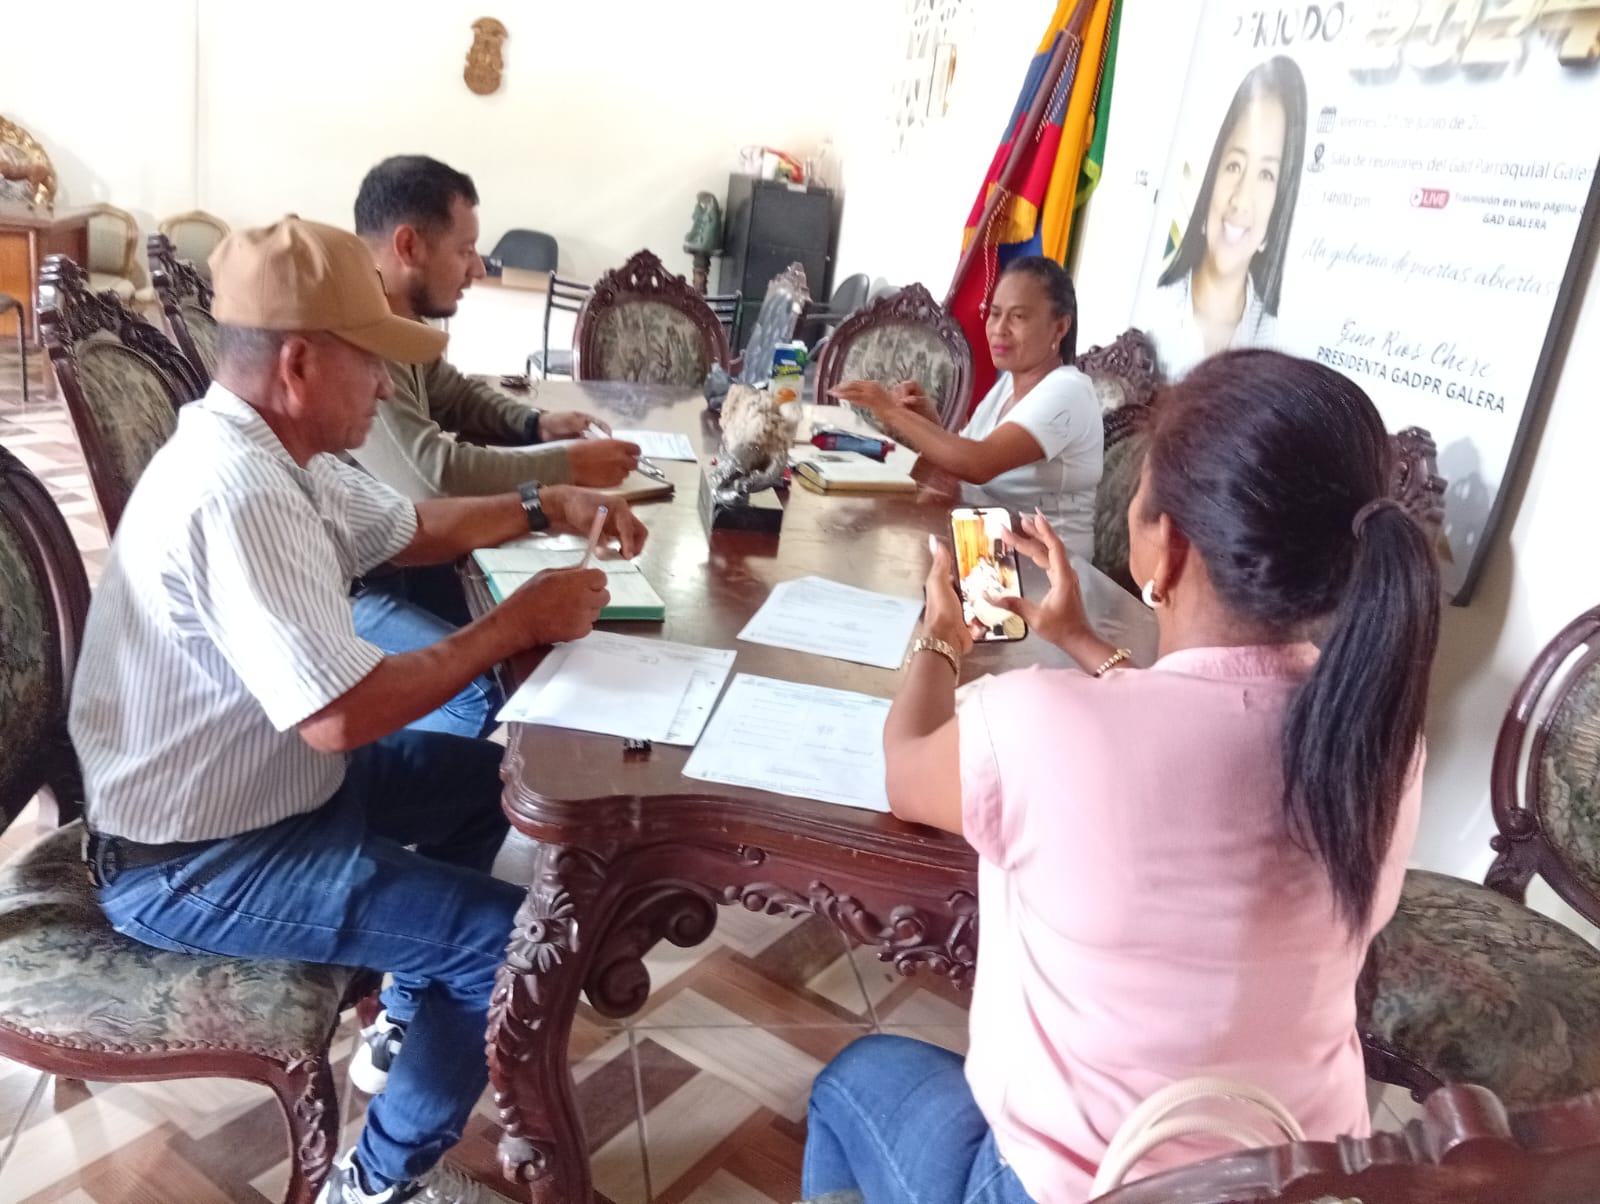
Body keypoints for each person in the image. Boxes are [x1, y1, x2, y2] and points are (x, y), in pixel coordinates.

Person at [70, 217, 648, 1204]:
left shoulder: (275, 448)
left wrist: (548, 504)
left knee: (492, 787)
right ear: (298, 363)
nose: (386, 387)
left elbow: (411, 527)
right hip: (194, 860)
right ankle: (378, 1182)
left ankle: (407, 1010)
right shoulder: (239, 490)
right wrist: (512, 624)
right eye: (372, 362)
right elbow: (339, 716)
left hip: (269, 792)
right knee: (509, 942)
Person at [802, 349, 1440, 1204]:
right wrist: (1082, 642)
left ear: (1167, 547)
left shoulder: (1040, 725)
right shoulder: (1379, 741)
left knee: (852, 1081)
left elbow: (905, 764)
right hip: (1301, 1182)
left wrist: (940, 638)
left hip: (1083, 1186)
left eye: (1137, 499)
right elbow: (1212, 720)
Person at [346, 154, 641, 738]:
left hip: (398, 557)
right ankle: (401, 762)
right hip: (350, 587)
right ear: (408, 246)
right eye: (465, 249)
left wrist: (535, 426)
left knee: (534, 631)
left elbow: (452, 392)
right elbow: (430, 479)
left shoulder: (395, 319)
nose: (478, 267)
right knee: (486, 687)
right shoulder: (357, 333)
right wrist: (562, 471)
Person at [831, 257, 1103, 559]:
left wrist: (891, 411)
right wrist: (927, 418)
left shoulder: (1068, 391)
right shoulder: (1009, 385)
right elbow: (962, 462)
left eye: (1018, 317)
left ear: (1060, 327)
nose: (999, 329)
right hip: (989, 543)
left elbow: (979, 464)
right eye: (995, 314)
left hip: (1049, 566)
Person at [1138, 56, 1307, 378]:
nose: (1241, 198)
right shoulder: (1151, 311)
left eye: (1267, 175)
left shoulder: (1278, 343)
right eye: (1234, 166)